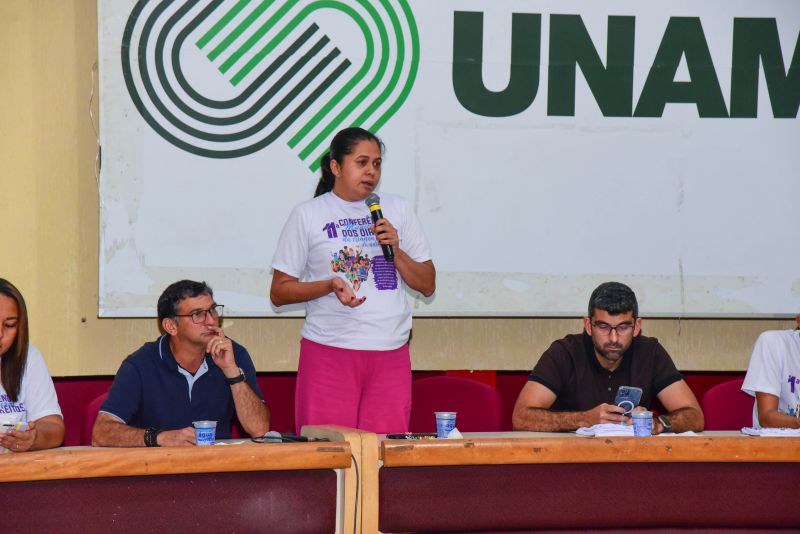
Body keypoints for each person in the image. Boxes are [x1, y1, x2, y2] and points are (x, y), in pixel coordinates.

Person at [270, 127, 435, 434]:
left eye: (377, 163)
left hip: (390, 351)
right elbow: (279, 292)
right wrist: (327, 285)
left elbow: (427, 284)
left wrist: (396, 251)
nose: (371, 171)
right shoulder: (308, 214)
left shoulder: (396, 209)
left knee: (385, 453)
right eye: (362, 162)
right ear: (336, 167)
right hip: (329, 352)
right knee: (330, 453)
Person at [92, 280, 269, 447]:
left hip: (218, 467)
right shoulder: (141, 364)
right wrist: (160, 437)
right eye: (197, 314)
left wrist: (232, 372)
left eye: (213, 310)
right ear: (171, 326)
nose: (211, 320)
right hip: (157, 469)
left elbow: (260, 430)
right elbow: (101, 433)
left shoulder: (234, 354)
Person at [512, 282, 704, 434]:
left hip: (633, 463)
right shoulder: (564, 352)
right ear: (588, 325)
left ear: (637, 326)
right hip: (572, 464)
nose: (613, 338)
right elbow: (521, 417)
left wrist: (657, 424)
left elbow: (695, 417)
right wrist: (584, 419)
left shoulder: (650, 352)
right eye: (603, 327)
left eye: (623, 327)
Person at [0, 278, 64, 452]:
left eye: (9, 325)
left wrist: (34, 438)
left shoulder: (28, 357)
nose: (0, 334)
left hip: (15, 472)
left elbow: (54, 427)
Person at [741, 314, 800, 428]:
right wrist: (797, 422)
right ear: (799, 320)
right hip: (780, 442)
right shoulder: (774, 342)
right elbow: (766, 417)